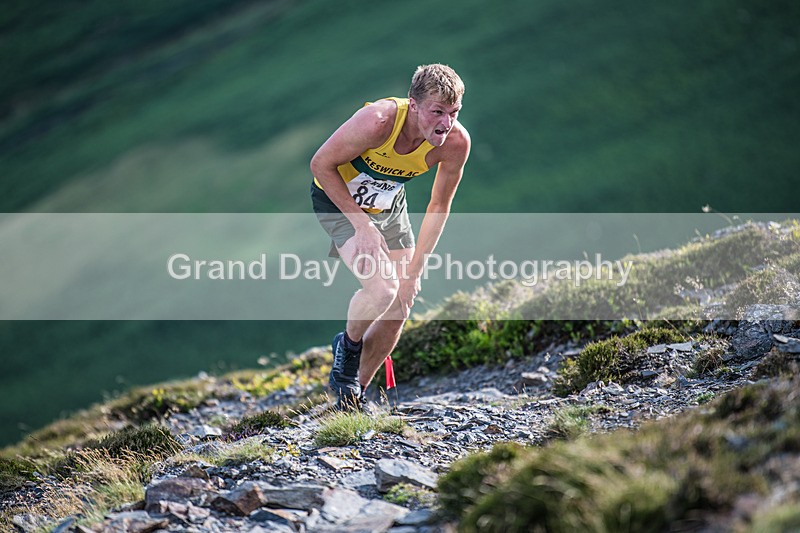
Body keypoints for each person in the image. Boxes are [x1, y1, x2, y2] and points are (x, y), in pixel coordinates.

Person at [310, 63, 470, 410]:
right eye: (437, 112)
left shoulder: (456, 143)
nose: (446, 124)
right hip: (337, 199)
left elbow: (439, 205)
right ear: (413, 105)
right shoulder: (379, 121)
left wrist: (416, 271)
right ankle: (347, 348)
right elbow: (320, 164)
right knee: (382, 289)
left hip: (388, 204)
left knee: (400, 302)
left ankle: (352, 397)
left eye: (454, 113)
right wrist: (362, 226)